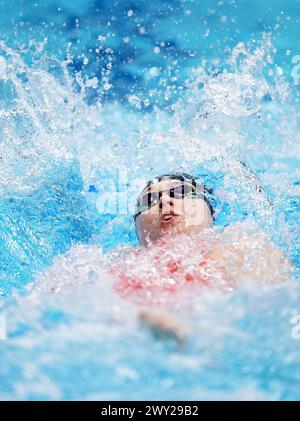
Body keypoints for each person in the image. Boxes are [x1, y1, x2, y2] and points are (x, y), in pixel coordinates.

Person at [115, 171, 293, 343]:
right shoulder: (120, 261)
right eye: (149, 200)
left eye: (180, 192)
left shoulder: (240, 245)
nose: (164, 200)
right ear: (136, 228)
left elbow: (272, 305)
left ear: (210, 210)